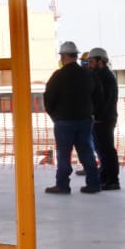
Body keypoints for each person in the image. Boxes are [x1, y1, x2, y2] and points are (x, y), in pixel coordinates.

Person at [43, 40, 100, 194]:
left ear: (63, 56)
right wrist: (91, 112)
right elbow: (98, 95)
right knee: (86, 152)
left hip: (64, 122)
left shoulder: (58, 76)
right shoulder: (88, 74)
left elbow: (48, 98)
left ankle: (62, 185)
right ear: (75, 55)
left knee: (63, 155)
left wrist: (55, 116)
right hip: (85, 121)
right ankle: (94, 184)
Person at [87, 47, 120, 190]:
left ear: (100, 62)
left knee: (106, 150)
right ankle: (106, 178)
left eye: (91, 61)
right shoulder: (103, 75)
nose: (89, 65)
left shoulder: (104, 77)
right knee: (103, 150)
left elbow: (104, 101)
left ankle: (111, 180)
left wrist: (98, 116)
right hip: (103, 118)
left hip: (104, 120)